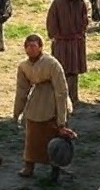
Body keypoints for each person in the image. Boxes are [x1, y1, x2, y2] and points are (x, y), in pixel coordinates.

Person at [14, 34, 74, 181]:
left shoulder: (52, 64)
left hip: (52, 102)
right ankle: (29, 166)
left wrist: (61, 118)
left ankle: (55, 168)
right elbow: (21, 90)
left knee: (54, 136)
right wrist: (17, 112)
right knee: (32, 137)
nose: (31, 49)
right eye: (28, 46)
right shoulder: (24, 66)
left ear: (40, 47)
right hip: (35, 103)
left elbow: (61, 90)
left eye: (34, 46)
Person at [46, 0, 90, 104]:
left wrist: (80, 34)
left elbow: (85, 20)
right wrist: (55, 35)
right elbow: (51, 20)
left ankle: (74, 98)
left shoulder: (81, 2)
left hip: (75, 42)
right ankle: (61, 97)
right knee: (61, 69)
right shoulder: (58, 2)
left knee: (74, 70)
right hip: (62, 42)